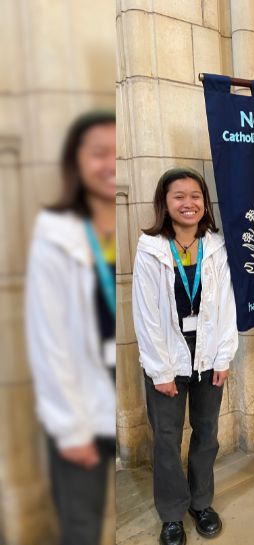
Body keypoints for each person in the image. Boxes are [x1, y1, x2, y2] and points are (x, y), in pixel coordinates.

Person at [132, 167, 238, 545]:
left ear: (204, 203)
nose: (188, 203)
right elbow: (146, 314)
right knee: (166, 438)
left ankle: (201, 503)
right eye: (179, 196)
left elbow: (226, 306)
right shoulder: (151, 249)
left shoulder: (217, 247)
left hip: (208, 353)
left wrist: (223, 357)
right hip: (167, 358)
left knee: (207, 433)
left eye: (195, 196)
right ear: (165, 202)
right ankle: (172, 513)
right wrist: (160, 370)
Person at [25, 110, 116, 545]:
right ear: (75, 161)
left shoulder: (129, 231)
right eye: (99, 153)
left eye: (117, 152)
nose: (110, 163)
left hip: (121, 376)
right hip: (78, 395)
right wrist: (69, 428)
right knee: (81, 523)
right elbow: (48, 340)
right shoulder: (55, 233)